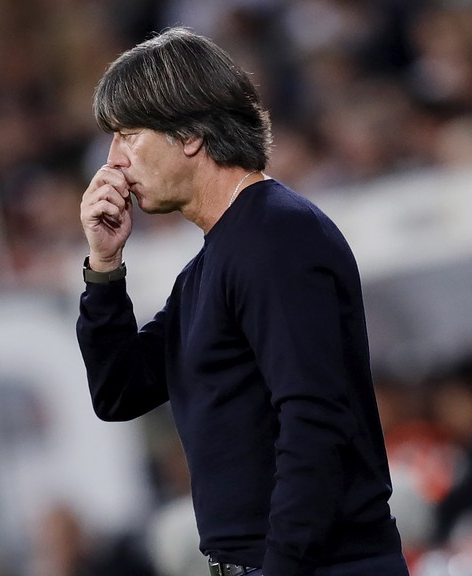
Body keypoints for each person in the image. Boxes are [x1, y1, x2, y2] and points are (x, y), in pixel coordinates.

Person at [76, 27, 408, 576]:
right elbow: (119, 390)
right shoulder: (214, 262)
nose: (113, 161)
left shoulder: (277, 237)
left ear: (188, 134)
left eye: (128, 134)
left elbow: (313, 419)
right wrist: (104, 267)